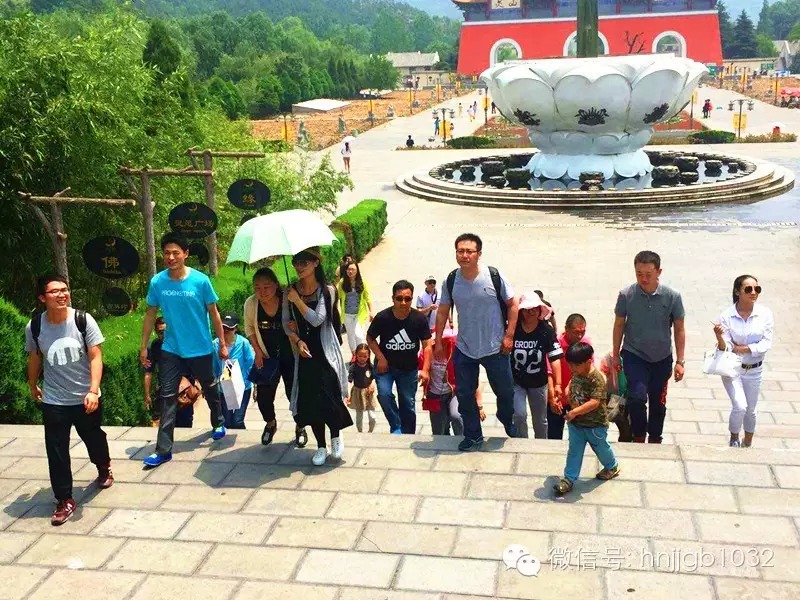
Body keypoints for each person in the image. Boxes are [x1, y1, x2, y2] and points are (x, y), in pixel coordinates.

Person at [25, 274, 112, 526]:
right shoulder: (35, 326)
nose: (62, 294)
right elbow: (35, 357)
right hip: (54, 399)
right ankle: (64, 499)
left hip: (85, 397)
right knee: (56, 449)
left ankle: (103, 465)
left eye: (64, 289)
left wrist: (93, 390)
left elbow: (96, 356)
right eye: (55, 291)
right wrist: (32, 384)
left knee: (93, 437)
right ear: (42, 298)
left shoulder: (82, 320)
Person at [140, 233, 228, 468]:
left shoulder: (200, 281)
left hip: (200, 347)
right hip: (172, 348)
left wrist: (221, 343)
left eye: (175, 253)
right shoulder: (158, 282)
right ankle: (163, 450)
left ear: (186, 254)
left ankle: (219, 421)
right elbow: (150, 315)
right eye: (166, 253)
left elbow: (214, 313)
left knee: (209, 386)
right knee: (167, 396)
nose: (170, 257)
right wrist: (143, 346)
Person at [435, 233, 520, 451]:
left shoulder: (493, 276)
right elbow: (443, 311)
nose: (464, 255)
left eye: (469, 251)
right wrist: (438, 342)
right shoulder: (451, 280)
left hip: (496, 347)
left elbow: (513, 304)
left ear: (478, 254)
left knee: (506, 392)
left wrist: (509, 336)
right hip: (465, 348)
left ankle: (505, 418)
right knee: (464, 394)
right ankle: (473, 435)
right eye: (460, 251)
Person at [284, 247, 352, 466]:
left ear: (316, 263)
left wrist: (297, 301)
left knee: (330, 395)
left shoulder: (326, 290)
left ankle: (335, 436)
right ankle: (321, 446)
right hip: (304, 352)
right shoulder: (290, 291)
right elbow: (285, 323)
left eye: (304, 263)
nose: (299, 267)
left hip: (324, 350)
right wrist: (297, 340)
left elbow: (317, 319)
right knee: (311, 400)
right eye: (296, 262)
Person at [612, 250, 686, 444]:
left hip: (662, 358)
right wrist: (615, 354)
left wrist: (680, 361)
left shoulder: (672, 296)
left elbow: (679, 329)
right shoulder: (626, 295)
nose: (643, 279)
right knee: (636, 398)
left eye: (648, 274)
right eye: (639, 274)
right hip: (634, 354)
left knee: (657, 402)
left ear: (659, 272)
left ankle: (655, 438)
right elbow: (619, 325)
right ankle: (638, 435)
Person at [243, 267, 306, 447]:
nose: (262, 292)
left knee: (294, 394)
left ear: (276, 285)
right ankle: (270, 423)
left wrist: (296, 327)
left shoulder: (289, 299)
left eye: (266, 287)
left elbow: (303, 321)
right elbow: (249, 328)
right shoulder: (251, 303)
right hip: (267, 355)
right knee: (263, 397)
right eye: (257, 287)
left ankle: (300, 426)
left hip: (290, 354)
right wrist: (257, 351)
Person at [713, 275, 773, 448]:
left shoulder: (765, 314)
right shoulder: (727, 316)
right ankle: (734, 438)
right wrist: (719, 336)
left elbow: (766, 344)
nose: (753, 292)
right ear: (737, 292)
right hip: (733, 369)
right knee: (740, 405)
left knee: (751, 410)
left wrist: (743, 348)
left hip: (755, 370)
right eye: (748, 289)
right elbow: (726, 347)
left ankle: (748, 443)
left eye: (757, 289)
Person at [553, 342, 620, 495]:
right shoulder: (577, 372)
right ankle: (569, 479)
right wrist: (567, 389)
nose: (572, 369)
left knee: (601, 448)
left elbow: (594, 402)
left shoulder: (597, 379)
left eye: (575, 365)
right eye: (570, 365)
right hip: (576, 424)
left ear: (588, 362)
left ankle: (612, 466)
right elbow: (573, 380)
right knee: (574, 451)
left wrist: (575, 412)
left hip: (595, 425)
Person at [367, 280, 432, 434]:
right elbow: (370, 338)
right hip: (385, 366)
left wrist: (425, 369)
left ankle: (408, 434)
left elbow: (427, 345)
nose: (403, 303)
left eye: (407, 299)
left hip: (409, 369)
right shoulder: (383, 317)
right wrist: (380, 358)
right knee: (384, 395)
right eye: (399, 298)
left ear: (412, 298)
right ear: (393, 299)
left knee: (408, 403)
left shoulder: (419, 319)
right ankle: (396, 426)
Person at [511, 293, 564, 439]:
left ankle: (541, 443)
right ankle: (521, 441)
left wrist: (558, 384)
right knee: (519, 415)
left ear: (540, 310)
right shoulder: (514, 329)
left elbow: (555, 358)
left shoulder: (546, 331)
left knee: (540, 420)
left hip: (539, 382)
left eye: (534, 308)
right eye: (527, 309)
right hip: (517, 381)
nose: (531, 312)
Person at [143, 318, 195, 428]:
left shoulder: (182, 343)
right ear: (156, 332)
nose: (164, 335)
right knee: (167, 422)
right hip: (166, 389)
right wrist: (147, 394)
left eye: (166, 331)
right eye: (161, 332)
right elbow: (149, 371)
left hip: (184, 389)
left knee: (185, 421)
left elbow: (194, 363)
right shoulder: (155, 346)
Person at [420, 329, 470, 436]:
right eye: (439, 339)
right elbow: (417, 368)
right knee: (439, 430)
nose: (442, 342)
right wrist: (423, 374)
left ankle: (461, 439)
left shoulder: (455, 351)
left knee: (456, 416)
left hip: (453, 392)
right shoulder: (426, 353)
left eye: (446, 339)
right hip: (434, 394)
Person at [551, 314, 592, 439]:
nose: (579, 336)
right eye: (576, 332)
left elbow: (590, 370)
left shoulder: (585, 344)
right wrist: (551, 397)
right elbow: (548, 372)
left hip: (578, 398)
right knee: (554, 435)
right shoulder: (555, 345)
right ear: (566, 329)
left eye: (582, 332)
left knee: (578, 436)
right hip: (558, 397)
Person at [213, 314, 255, 430]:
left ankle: (242, 438)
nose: (226, 331)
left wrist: (255, 385)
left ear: (235, 328)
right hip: (224, 387)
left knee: (237, 420)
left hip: (242, 387)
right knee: (227, 421)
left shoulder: (243, 343)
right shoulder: (215, 344)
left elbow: (251, 364)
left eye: (229, 328)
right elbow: (214, 366)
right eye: (223, 328)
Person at [338, 260, 374, 358]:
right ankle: (354, 355)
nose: (350, 271)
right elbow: (338, 298)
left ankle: (361, 355)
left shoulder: (362, 282)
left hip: (359, 314)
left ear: (357, 270)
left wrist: (371, 312)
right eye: (348, 269)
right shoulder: (342, 283)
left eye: (353, 269)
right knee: (350, 335)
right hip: (347, 314)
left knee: (358, 334)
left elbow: (367, 297)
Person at [347, 344, 378, 432]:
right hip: (357, 392)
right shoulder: (353, 367)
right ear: (356, 355)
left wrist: (372, 385)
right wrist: (348, 394)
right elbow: (349, 381)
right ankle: (360, 431)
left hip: (369, 392)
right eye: (360, 356)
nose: (362, 358)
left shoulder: (370, 366)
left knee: (372, 416)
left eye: (365, 356)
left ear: (368, 356)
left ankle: (370, 431)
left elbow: (374, 377)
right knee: (359, 415)